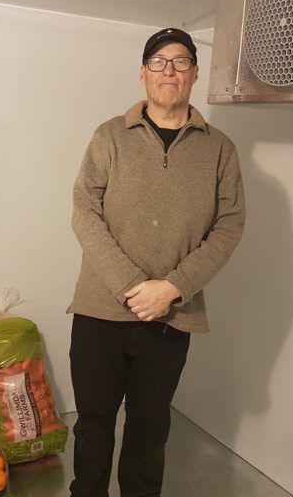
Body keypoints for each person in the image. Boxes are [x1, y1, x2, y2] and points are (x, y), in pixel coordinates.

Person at [67, 27, 246, 497]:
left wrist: (171, 288)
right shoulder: (110, 136)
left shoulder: (219, 149)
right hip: (98, 312)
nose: (170, 70)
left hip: (172, 317)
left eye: (181, 61)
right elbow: (84, 211)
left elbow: (228, 227)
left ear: (195, 73)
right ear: (143, 74)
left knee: (149, 432)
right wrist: (131, 284)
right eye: (159, 61)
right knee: (93, 427)